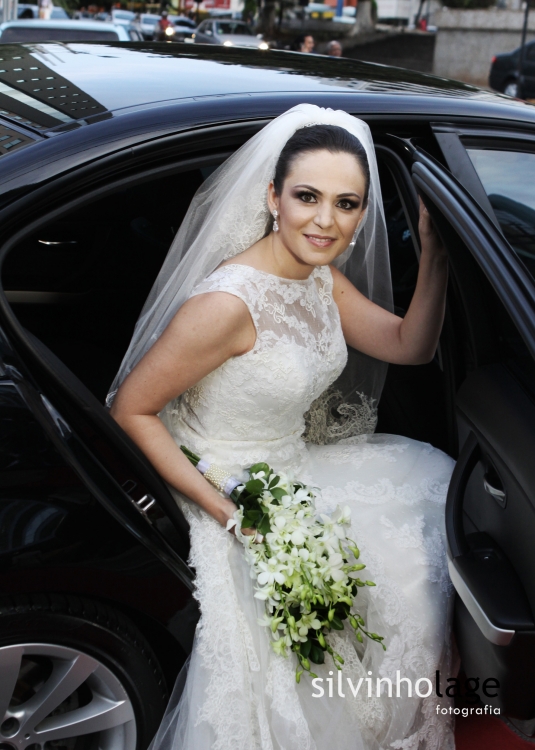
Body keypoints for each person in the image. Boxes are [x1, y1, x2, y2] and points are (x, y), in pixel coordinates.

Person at [109, 104, 456, 750]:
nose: (325, 221)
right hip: (225, 478)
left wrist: (433, 256)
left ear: (362, 213)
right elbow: (131, 408)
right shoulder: (226, 305)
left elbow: (409, 345)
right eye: (307, 197)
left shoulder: (321, 279)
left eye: (346, 204)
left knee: (427, 522)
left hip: (295, 464)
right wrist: (225, 510)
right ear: (273, 197)